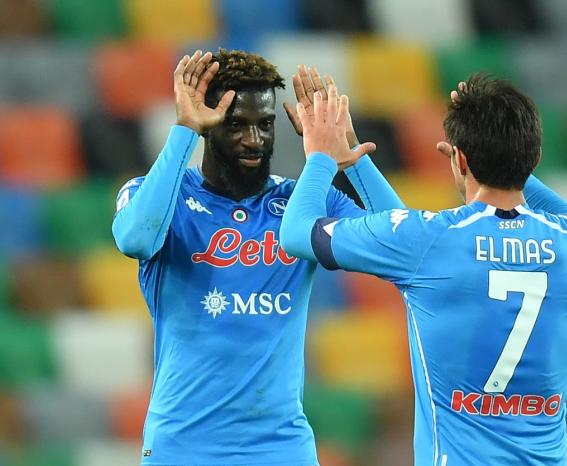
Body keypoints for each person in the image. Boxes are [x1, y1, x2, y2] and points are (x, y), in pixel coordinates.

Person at [280, 75, 567, 466]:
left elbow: (296, 233)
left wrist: (321, 157)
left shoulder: (430, 240)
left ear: (459, 158)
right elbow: (415, 248)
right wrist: (497, 144)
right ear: (534, 158)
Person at [112, 49, 393, 465]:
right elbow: (135, 238)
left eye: (265, 125)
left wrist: (348, 155)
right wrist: (185, 129)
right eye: (236, 125)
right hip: (184, 446)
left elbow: (398, 244)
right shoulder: (160, 192)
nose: (254, 140)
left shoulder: (302, 201)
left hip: (280, 448)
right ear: (209, 125)